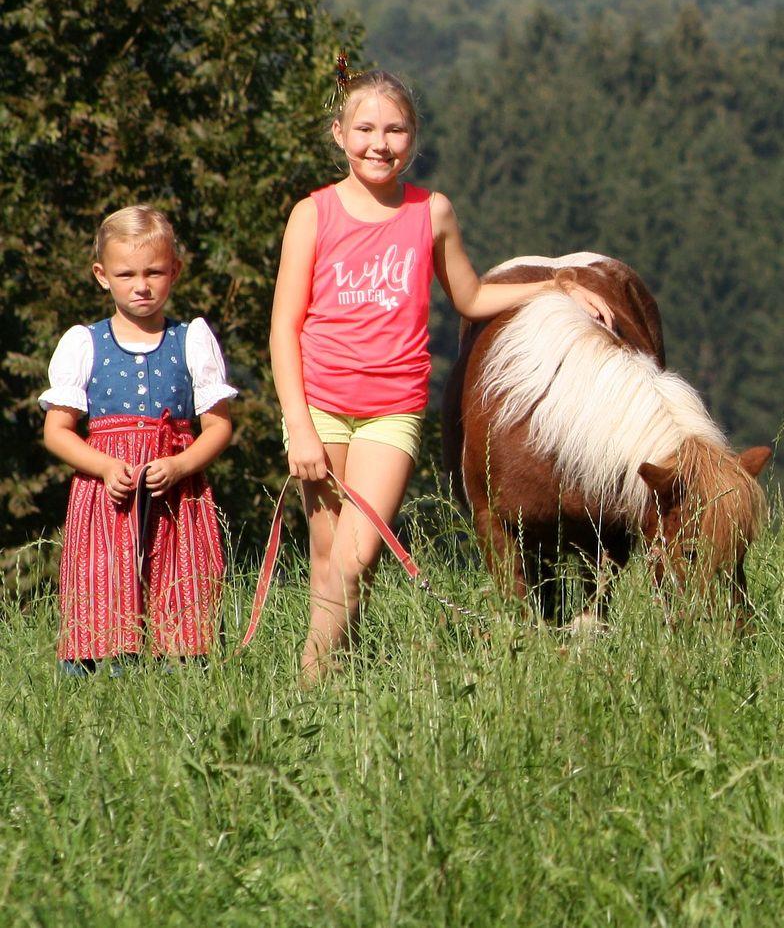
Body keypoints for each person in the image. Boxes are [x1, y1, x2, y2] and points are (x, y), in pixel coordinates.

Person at [271, 63, 615, 680]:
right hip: (318, 406)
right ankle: (340, 684)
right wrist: (298, 426)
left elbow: (472, 296)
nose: (380, 144)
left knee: (355, 557)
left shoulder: (431, 213)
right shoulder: (312, 215)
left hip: (392, 411)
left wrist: (556, 286)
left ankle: (307, 683)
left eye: (395, 130)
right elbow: (283, 328)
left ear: (414, 138)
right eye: (366, 129)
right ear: (339, 134)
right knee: (329, 559)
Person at [40, 206, 237, 672]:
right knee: (103, 583)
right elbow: (57, 432)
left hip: (176, 495)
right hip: (106, 496)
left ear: (175, 271)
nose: (141, 285)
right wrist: (106, 466)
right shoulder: (84, 343)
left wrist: (181, 465)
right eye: (126, 274)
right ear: (102, 276)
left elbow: (219, 426)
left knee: (182, 581)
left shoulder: (191, 339)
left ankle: (183, 679)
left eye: (154, 272)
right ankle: (98, 680)